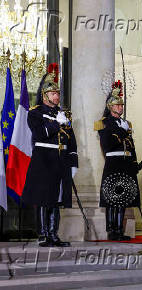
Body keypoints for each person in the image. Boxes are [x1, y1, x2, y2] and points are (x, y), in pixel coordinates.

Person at [22, 63, 78, 247]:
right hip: (43, 158)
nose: (57, 96)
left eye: (58, 93)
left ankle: (54, 234)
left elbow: (71, 141)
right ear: (45, 96)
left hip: (60, 160)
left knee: (56, 199)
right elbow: (39, 134)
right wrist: (56, 124)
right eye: (54, 93)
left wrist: (73, 162)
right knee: (43, 198)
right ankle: (43, 234)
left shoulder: (62, 114)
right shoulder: (35, 112)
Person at [94, 80, 140, 241]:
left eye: (122, 105)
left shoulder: (126, 124)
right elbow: (108, 144)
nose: (121, 107)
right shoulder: (103, 123)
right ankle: (111, 230)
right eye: (117, 105)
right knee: (113, 198)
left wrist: (134, 163)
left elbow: (131, 145)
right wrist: (122, 132)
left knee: (123, 198)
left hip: (126, 163)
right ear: (110, 106)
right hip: (113, 163)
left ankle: (119, 229)